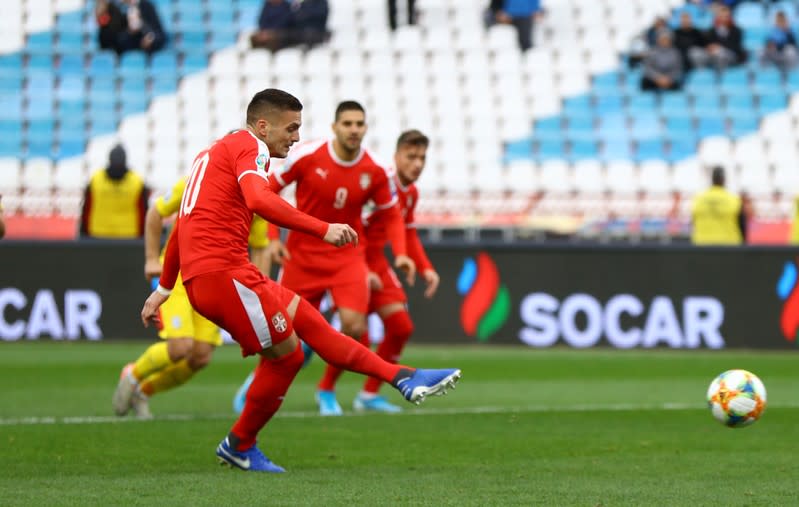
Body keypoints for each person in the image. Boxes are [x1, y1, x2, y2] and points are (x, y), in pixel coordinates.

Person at [137, 88, 461, 473]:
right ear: (263, 126)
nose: (294, 136)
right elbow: (260, 201)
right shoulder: (251, 149)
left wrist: (164, 288)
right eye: (290, 128)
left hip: (223, 274)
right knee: (288, 355)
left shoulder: (211, 154)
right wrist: (322, 229)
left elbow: (182, 227)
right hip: (225, 276)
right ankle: (240, 444)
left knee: (310, 322)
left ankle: (402, 376)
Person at [266, 100, 416, 416]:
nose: (354, 129)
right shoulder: (308, 155)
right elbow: (267, 190)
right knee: (283, 334)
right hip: (301, 255)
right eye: (347, 123)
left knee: (354, 325)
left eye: (359, 124)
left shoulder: (373, 170)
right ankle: (256, 387)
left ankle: (326, 389)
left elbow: (391, 217)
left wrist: (401, 255)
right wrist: (270, 239)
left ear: (365, 128)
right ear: (335, 127)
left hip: (346, 256)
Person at [112, 175, 274, 419]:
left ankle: (143, 392)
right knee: (180, 347)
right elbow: (156, 212)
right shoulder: (196, 181)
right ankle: (132, 374)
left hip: (213, 280)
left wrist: (259, 286)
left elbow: (260, 245)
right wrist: (151, 259)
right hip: (176, 276)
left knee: (200, 356)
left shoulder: (255, 197)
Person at [354, 129, 440, 413]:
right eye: (411, 156)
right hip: (352, 261)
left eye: (422, 158)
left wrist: (426, 268)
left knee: (401, 327)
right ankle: (325, 390)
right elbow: (355, 224)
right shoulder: (380, 183)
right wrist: (362, 268)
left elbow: (409, 233)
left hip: (377, 262)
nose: (417, 164)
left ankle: (368, 395)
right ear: (397, 156)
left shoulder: (411, 193)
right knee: (356, 335)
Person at [79, 144, 151, 239]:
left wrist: (84, 233)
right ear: (125, 160)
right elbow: (143, 212)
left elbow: (86, 209)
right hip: (129, 235)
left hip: (98, 234)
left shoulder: (96, 180)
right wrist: (142, 236)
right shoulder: (137, 182)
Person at [691, 166, 744, 245]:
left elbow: (694, 221)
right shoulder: (733, 199)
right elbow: (742, 224)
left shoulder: (699, 199)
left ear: (712, 179)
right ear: (724, 180)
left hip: (702, 244)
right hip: (729, 245)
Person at [250, 0, 329, 51]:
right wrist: (265, 32)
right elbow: (261, 21)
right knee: (254, 37)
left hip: (312, 33)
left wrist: (272, 32)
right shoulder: (267, 6)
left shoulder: (286, 6)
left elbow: (290, 19)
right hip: (291, 32)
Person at [689, 5, 746, 71]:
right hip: (713, 55)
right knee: (694, 52)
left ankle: (721, 76)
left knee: (720, 54)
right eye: (721, 16)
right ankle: (702, 74)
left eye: (726, 16)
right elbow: (706, 44)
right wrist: (709, 48)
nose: (723, 19)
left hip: (731, 56)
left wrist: (719, 48)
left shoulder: (737, 31)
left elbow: (735, 47)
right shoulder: (711, 30)